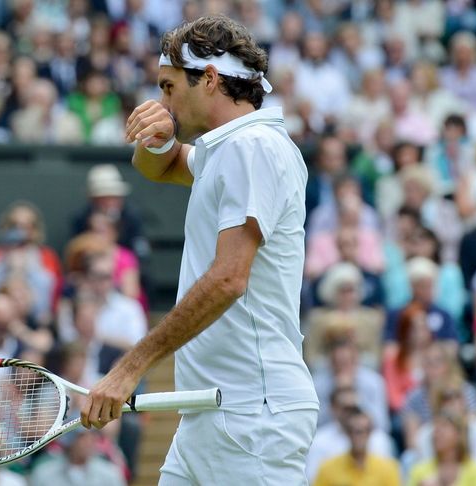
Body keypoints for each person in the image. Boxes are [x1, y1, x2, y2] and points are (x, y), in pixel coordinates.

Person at [80, 16, 320, 484]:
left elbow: (230, 277)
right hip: (211, 414)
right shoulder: (231, 147)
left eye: (168, 88)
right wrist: (161, 133)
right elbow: (162, 167)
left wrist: (130, 367)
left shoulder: (252, 147)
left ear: (208, 80)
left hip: (253, 418)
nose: (162, 101)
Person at [313, 408, 401, 486]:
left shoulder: (387, 469)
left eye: (362, 431)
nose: (357, 436)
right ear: (347, 433)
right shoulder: (328, 468)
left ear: (369, 433)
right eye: (353, 431)